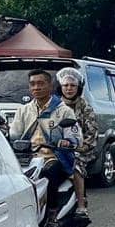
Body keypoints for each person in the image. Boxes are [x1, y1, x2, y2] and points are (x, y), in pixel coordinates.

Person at [9, 69, 82, 201]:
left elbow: (75, 138)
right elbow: (14, 135)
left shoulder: (64, 111)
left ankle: (52, 215)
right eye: (33, 84)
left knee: (48, 174)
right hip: (28, 158)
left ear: (50, 86)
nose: (36, 87)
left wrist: (66, 142)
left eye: (40, 83)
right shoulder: (23, 110)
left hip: (54, 158)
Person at [56, 67, 100, 223]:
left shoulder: (85, 107)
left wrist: (80, 147)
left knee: (76, 165)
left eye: (72, 86)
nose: (68, 89)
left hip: (81, 150)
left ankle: (81, 205)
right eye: (65, 85)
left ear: (78, 88)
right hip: (56, 149)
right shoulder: (55, 106)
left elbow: (92, 133)